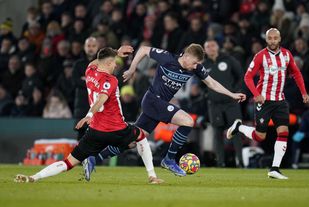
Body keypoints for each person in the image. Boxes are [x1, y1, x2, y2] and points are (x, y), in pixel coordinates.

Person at [90, 43, 246, 177]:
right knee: (187, 121)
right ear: (186, 56)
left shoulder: (196, 67)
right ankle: (169, 159)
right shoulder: (167, 58)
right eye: (194, 63)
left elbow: (212, 83)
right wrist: (132, 69)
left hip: (159, 104)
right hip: (153, 100)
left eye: (197, 64)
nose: (195, 67)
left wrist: (231, 94)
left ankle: (93, 159)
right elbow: (144, 49)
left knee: (131, 141)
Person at [14, 47, 163, 184]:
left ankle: (34, 177)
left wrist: (116, 52)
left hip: (95, 131)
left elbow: (96, 61)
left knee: (69, 162)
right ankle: (152, 176)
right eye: (114, 63)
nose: (116, 66)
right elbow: (101, 99)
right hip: (116, 128)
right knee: (140, 137)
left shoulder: (89, 71)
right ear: (109, 62)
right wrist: (89, 114)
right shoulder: (110, 80)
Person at [227, 28, 309, 179]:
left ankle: (274, 169)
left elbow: (296, 73)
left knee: (283, 132)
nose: (272, 40)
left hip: (280, 100)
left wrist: (304, 92)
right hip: (264, 101)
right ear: (266, 40)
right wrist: (257, 95)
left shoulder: (287, 54)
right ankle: (238, 127)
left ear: (279, 39)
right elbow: (248, 77)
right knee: (260, 137)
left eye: (275, 38)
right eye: (269, 38)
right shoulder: (260, 56)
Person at [203, 39, 244, 167]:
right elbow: (200, 82)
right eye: (208, 46)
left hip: (231, 103)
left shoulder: (228, 59)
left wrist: (235, 91)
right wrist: (207, 93)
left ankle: (240, 162)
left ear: (218, 47)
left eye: (213, 45)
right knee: (217, 133)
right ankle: (220, 163)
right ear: (205, 50)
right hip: (214, 104)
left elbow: (241, 76)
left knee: (236, 132)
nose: (211, 48)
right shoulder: (204, 64)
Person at [292, 97, 309, 169]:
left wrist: (306, 134)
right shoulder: (306, 114)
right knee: (296, 140)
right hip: (307, 134)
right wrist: (301, 134)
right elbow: (302, 128)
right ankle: (294, 162)